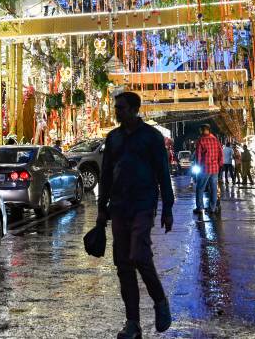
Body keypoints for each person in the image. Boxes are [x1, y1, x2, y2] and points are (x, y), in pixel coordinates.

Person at [97, 91, 174, 339]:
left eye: (120, 108)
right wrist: (101, 209)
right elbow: (106, 174)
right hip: (119, 206)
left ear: (133, 110)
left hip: (143, 204)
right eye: (116, 107)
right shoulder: (113, 138)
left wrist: (168, 208)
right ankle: (133, 323)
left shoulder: (151, 137)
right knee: (123, 265)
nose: (116, 112)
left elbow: (163, 172)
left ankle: (160, 301)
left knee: (139, 255)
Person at [194, 124, 223, 215]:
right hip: (215, 168)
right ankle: (212, 208)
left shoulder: (201, 140)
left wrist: (197, 167)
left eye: (200, 130)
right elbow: (220, 153)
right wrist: (219, 164)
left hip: (204, 168)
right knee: (214, 188)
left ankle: (200, 207)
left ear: (203, 130)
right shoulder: (215, 139)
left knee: (200, 188)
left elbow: (198, 156)